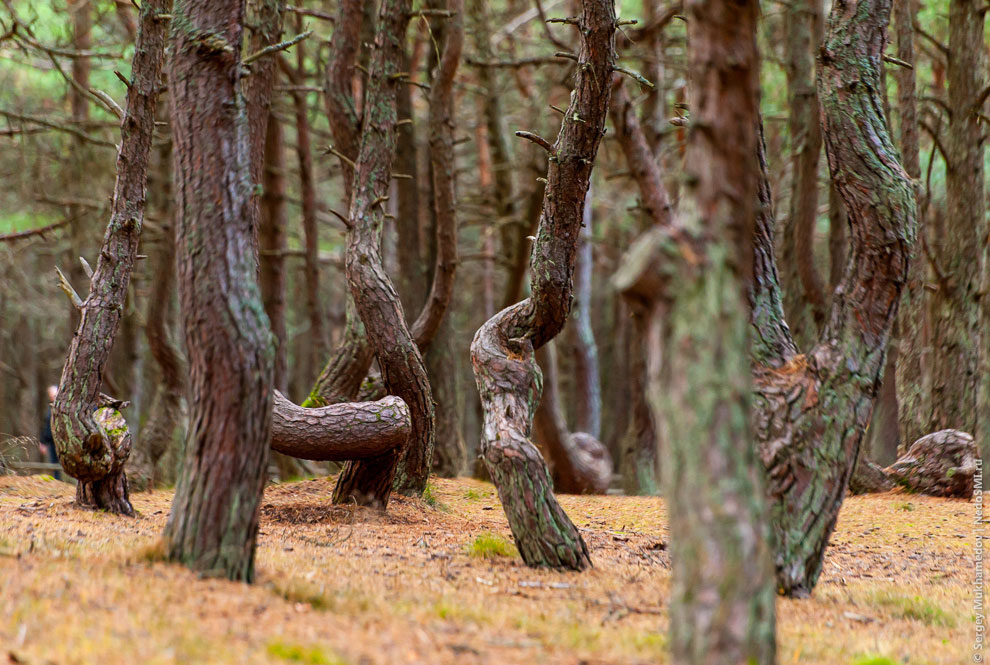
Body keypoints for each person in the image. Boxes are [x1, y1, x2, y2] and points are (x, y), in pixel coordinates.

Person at [38, 384, 61, 480]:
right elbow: (46, 427)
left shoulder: (62, 408)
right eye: (51, 395)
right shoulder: (49, 409)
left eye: (54, 395)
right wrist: (43, 442)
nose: (53, 397)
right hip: (51, 441)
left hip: (61, 440)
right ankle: (57, 481)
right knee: (54, 464)